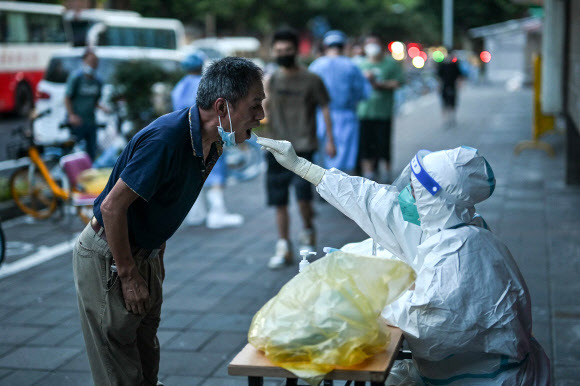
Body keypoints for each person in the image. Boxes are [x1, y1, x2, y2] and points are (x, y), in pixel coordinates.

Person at [256, 137, 551, 384]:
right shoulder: (447, 225)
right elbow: (372, 201)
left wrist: (368, 300)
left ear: (435, 197)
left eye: (415, 189)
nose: (407, 195)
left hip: (488, 379)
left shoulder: (460, 255)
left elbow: (427, 324)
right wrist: (303, 167)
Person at [73, 57, 265, 385]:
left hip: (143, 254)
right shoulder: (166, 140)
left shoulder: (213, 143)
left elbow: (167, 201)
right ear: (222, 107)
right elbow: (112, 208)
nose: (260, 116)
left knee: (147, 358)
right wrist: (129, 275)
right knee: (120, 369)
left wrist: (155, 255)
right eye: (255, 105)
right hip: (112, 257)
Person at [263, 29, 335, 269]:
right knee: (279, 200)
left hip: (303, 146)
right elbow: (262, 111)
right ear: (274, 52)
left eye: (288, 50)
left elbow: (325, 108)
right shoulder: (271, 80)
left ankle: (307, 229)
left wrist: (330, 140)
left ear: (296, 50)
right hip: (274, 146)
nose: (283, 54)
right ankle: (283, 245)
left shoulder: (311, 79)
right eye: (279, 51)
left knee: (304, 198)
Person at [172, 52, 244, 229]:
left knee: (193, 174)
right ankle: (217, 214)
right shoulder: (206, 85)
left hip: (185, 136)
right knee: (215, 173)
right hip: (208, 135)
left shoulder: (179, 87)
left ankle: (195, 214)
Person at [308, 30, 370, 174]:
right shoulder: (351, 66)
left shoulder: (316, 66)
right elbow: (362, 93)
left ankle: (322, 190)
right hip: (346, 117)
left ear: (325, 46)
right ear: (343, 46)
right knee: (343, 162)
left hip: (320, 117)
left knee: (322, 159)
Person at [357, 34, 405, 182]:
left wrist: (379, 85)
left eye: (375, 43)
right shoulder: (360, 65)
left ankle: (388, 173)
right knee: (365, 145)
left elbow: (398, 83)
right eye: (368, 43)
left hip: (383, 112)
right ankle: (369, 174)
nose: (372, 46)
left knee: (384, 144)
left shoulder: (390, 64)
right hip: (364, 113)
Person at [64, 48, 108, 160]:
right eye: (91, 61)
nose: (93, 64)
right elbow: (67, 97)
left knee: (91, 152)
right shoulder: (76, 78)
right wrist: (71, 115)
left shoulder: (98, 81)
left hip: (91, 121)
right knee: (74, 152)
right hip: (77, 121)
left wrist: (103, 108)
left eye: (95, 61)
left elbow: (95, 101)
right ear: (84, 61)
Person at [437, 51, 464, 129]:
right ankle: (445, 119)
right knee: (445, 103)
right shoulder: (442, 65)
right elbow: (439, 77)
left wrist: (459, 85)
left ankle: (452, 118)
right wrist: (439, 86)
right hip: (444, 86)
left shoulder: (455, 65)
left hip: (452, 86)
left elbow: (459, 76)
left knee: (452, 102)